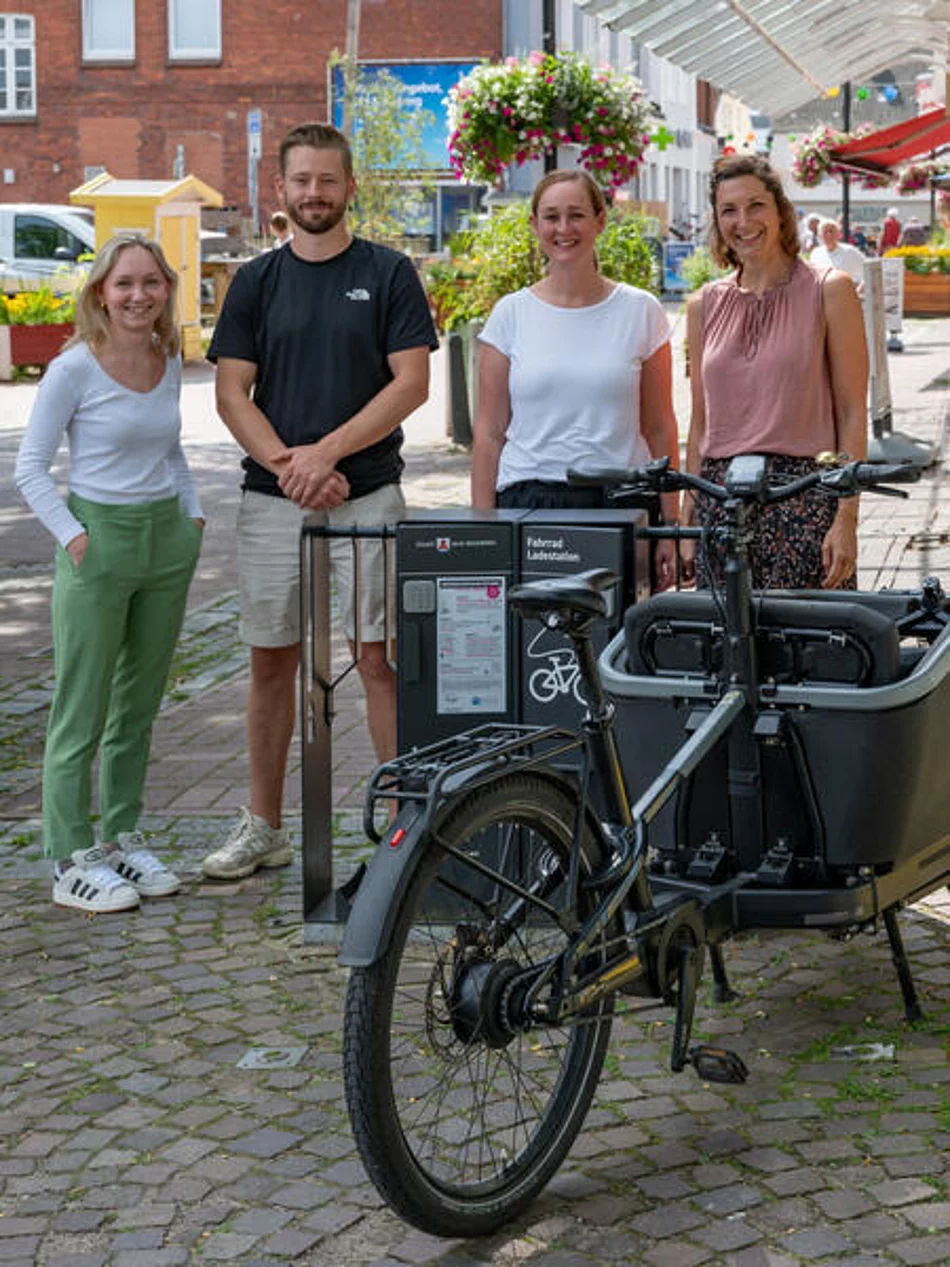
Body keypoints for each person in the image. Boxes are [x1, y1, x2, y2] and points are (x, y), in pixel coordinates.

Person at [200, 121, 436, 881]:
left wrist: (327, 454)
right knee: (271, 660)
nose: (313, 194)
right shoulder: (255, 283)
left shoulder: (390, 272)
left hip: (368, 494)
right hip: (273, 501)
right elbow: (231, 391)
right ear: (281, 188)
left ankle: (404, 828)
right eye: (300, 181)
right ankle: (263, 824)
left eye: (326, 181)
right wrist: (289, 464)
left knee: (378, 658)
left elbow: (412, 383)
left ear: (349, 188)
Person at [14, 234, 203, 912]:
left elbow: (173, 450)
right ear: (101, 291)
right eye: (124, 284)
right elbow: (29, 469)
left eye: (151, 283)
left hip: (164, 542)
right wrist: (73, 537)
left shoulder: (167, 356)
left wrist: (194, 516)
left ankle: (121, 835)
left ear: (165, 290)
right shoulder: (73, 368)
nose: (138, 295)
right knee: (81, 705)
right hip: (98, 541)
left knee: (138, 705)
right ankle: (69, 856)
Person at [471, 169, 680, 588]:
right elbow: (489, 433)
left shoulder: (641, 311)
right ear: (534, 226)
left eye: (576, 215)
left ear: (600, 221)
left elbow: (659, 427)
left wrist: (671, 527)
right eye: (551, 217)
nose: (563, 229)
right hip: (531, 501)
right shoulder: (510, 315)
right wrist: (484, 529)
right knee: (532, 647)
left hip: (621, 501)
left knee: (617, 646)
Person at [684, 153, 869, 591]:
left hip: (807, 501)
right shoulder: (702, 304)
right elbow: (700, 422)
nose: (742, 221)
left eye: (755, 206)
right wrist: (689, 512)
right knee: (727, 654)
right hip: (722, 503)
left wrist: (846, 519)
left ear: (781, 212)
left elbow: (851, 412)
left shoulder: (830, 290)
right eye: (728, 210)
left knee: (815, 652)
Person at [809, 217, 865, 294]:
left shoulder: (849, 251)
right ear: (819, 236)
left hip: (846, 297)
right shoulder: (816, 253)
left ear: (839, 234)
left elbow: (868, 271)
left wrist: (858, 292)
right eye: (825, 231)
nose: (829, 234)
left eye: (832, 231)